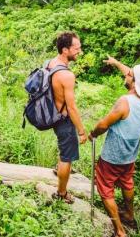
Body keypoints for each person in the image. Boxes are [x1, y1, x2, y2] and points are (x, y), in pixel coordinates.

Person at [88, 56, 140, 237]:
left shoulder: (125, 102)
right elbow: (133, 74)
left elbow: (103, 125)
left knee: (105, 188)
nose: (126, 74)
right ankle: (130, 214)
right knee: (127, 181)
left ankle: (119, 231)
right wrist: (117, 63)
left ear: (133, 82)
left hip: (113, 155)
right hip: (131, 153)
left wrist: (92, 134)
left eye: (129, 75)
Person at [47, 31, 87, 204]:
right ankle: (61, 194)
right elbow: (71, 107)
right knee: (67, 157)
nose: (80, 51)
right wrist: (82, 131)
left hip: (54, 115)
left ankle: (59, 170)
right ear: (65, 50)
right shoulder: (67, 75)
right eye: (76, 48)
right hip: (64, 120)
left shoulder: (51, 63)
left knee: (64, 151)